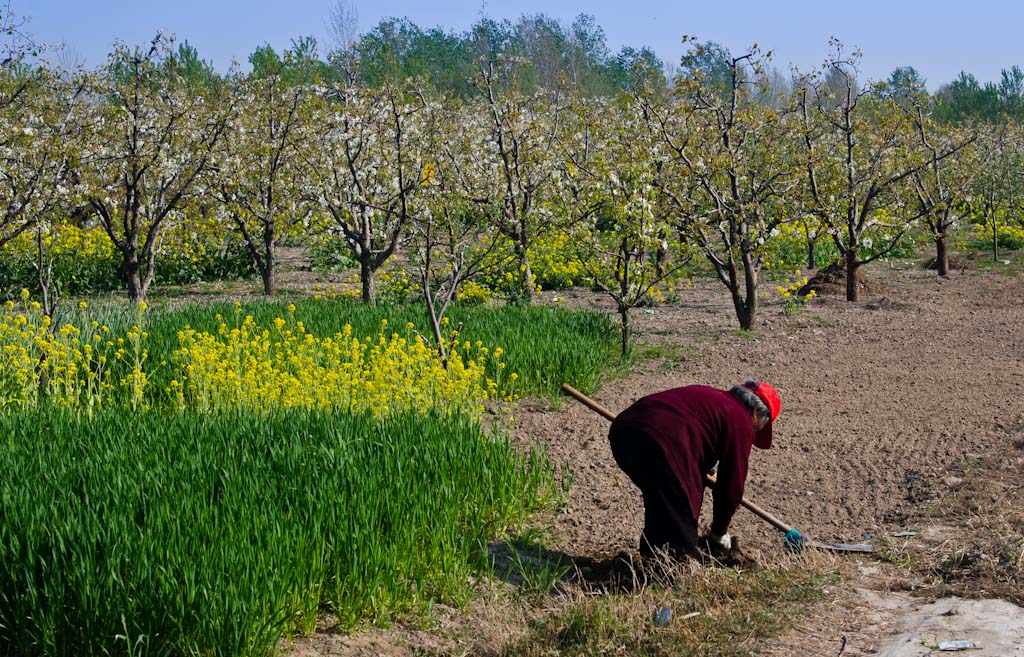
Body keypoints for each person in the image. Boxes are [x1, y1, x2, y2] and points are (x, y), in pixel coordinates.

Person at [608, 380, 781, 560]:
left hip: (624, 431)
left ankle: (654, 556)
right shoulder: (741, 422)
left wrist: (699, 465)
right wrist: (719, 532)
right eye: (763, 426)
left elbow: (690, 429)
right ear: (756, 413)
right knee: (680, 549)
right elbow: (731, 485)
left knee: (665, 501)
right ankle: (669, 563)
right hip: (661, 444)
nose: (755, 434)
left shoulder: (712, 397)